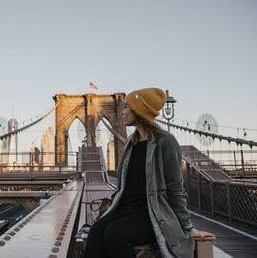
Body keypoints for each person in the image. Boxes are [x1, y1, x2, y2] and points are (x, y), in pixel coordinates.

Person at [84, 88, 214, 258]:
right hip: (125, 210)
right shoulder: (132, 141)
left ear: (139, 112)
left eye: (126, 108)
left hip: (150, 214)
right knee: (95, 233)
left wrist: (188, 228)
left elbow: (176, 190)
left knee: (113, 233)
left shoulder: (166, 142)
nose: (122, 113)